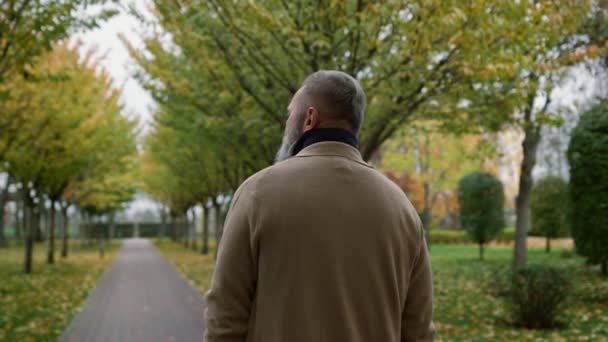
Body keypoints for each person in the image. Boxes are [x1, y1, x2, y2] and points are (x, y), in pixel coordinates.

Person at [204, 70, 435, 342]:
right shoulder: (402, 208)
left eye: (290, 114)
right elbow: (418, 331)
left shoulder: (258, 194)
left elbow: (225, 317)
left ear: (310, 118)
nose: (286, 122)